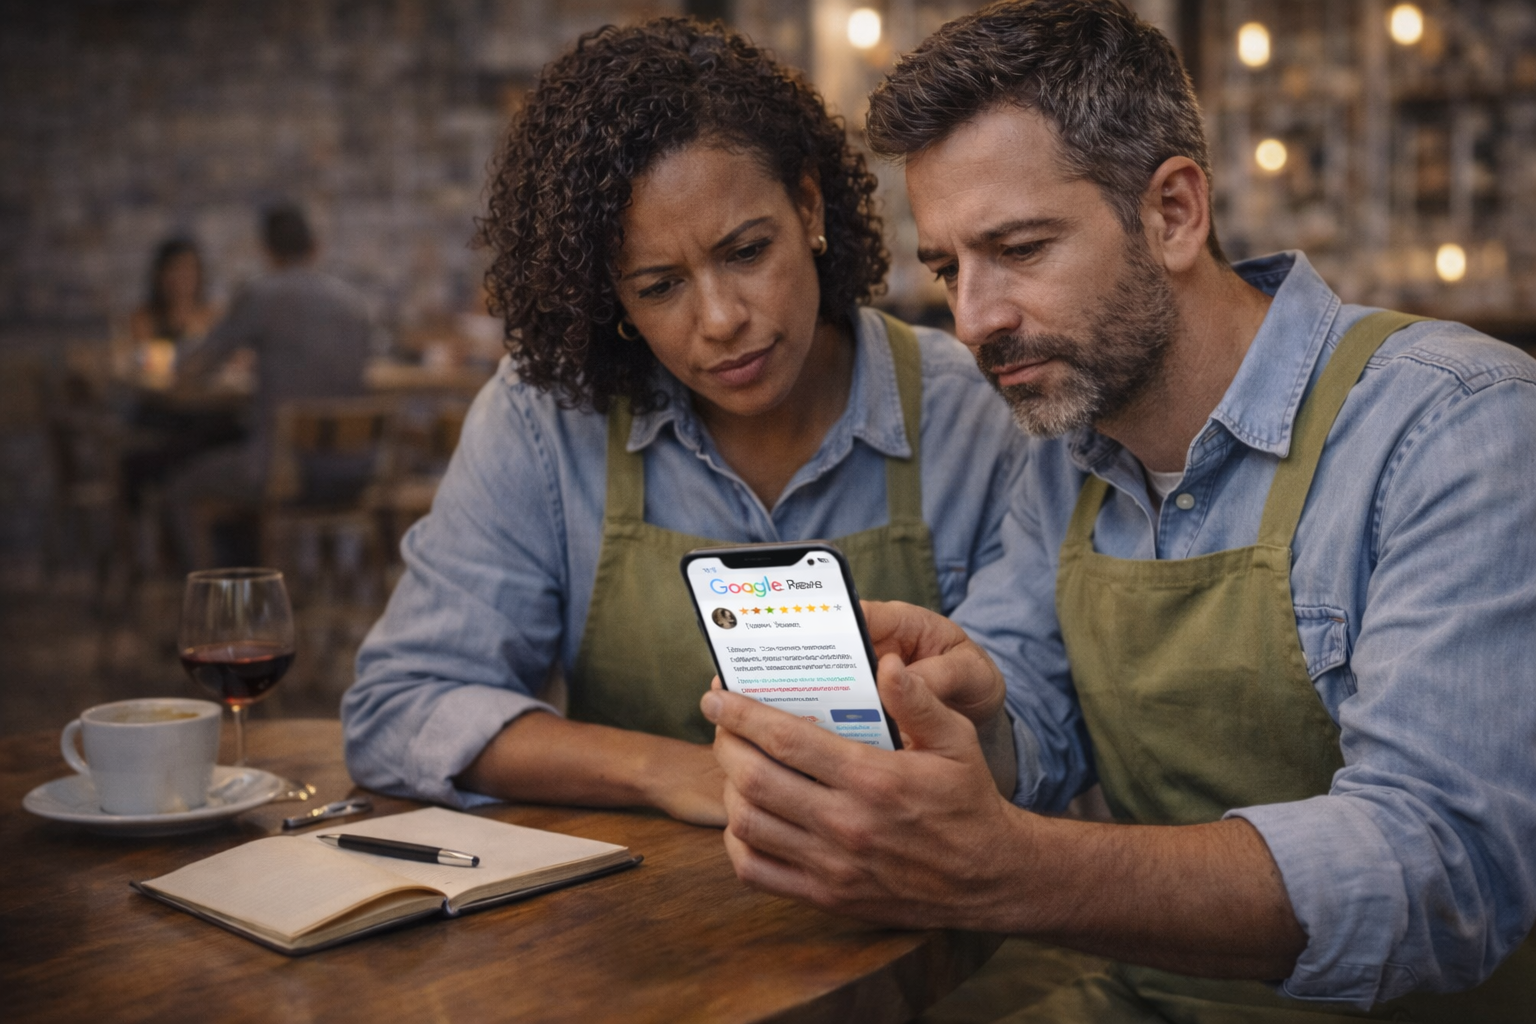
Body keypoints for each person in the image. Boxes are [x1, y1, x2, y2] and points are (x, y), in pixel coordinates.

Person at [701, 2, 1536, 1020]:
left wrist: (1006, 868)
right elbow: (1033, 721)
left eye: (1020, 249)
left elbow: (1439, 873)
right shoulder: (1064, 453)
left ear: (1175, 212)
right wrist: (966, 721)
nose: (974, 319)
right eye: (949, 269)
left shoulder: (1455, 424)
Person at [341, 19, 1027, 828]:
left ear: (808, 203)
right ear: (611, 297)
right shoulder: (547, 421)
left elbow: (1028, 738)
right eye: (659, 286)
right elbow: (401, 707)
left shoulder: (971, 417)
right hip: (640, 933)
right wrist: (664, 771)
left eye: (745, 252)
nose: (721, 319)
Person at [167, 204, 372, 566]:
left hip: (283, 471)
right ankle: (271, 586)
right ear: (315, 247)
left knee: (181, 487)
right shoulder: (354, 304)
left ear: (266, 251)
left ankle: (215, 606)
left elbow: (193, 366)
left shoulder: (262, 295)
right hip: (354, 470)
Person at [130, 236, 218, 348]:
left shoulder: (211, 317)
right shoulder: (144, 319)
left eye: (188, 271)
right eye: (175, 271)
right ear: (161, 275)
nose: (182, 280)